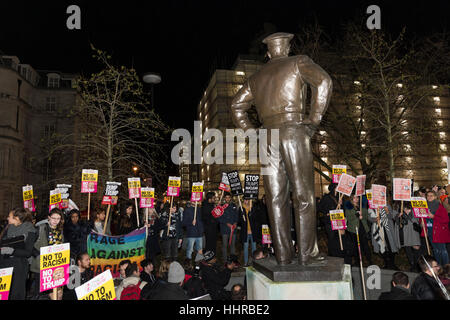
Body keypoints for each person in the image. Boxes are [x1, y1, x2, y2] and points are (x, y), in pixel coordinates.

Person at [230, 32, 332, 266]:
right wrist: (314, 119)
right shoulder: (298, 62)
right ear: (286, 49)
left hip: (267, 136)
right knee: (304, 195)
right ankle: (307, 254)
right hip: (294, 130)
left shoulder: (256, 77)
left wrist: (252, 132)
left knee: (275, 199)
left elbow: (236, 106)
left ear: (268, 53)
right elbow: (324, 81)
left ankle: (284, 256)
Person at [0, 208, 37, 300]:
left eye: (9, 217)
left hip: (19, 266)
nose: (7, 218)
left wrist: (11, 251)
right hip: (5, 263)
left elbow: (28, 252)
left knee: (16, 293)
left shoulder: (30, 229)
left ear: (16, 218)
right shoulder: (8, 227)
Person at [30, 208, 65, 300]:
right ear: (49, 217)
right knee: (39, 291)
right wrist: (40, 255)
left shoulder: (60, 230)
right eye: (53, 218)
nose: (55, 221)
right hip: (41, 265)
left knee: (54, 292)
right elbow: (30, 246)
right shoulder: (40, 228)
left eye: (58, 219)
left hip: (55, 266)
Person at [368, 200, 400, 270]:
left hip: (388, 229)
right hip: (378, 228)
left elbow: (391, 216)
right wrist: (374, 219)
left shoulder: (386, 204)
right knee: (381, 246)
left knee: (391, 246)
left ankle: (392, 264)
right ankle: (386, 263)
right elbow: (369, 218)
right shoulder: (372, 205)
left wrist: (387, 211)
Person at [344, 195, 372, 266]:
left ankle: (370, 260)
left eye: (357, 197)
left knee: (365, 245)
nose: (356, 199)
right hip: (354, 229)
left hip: (362, 228)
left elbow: (366, 216)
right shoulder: (349, 207)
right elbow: (349, 218)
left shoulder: (361, 206)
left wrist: (362, 216)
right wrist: (356, 215)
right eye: (354, 198)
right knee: (356, 246)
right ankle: (358, 261)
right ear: (351, 199)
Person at [317, 183, 344, 258]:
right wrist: (327, 213)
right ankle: (332, 255)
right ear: (333, 188)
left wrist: (341, 204)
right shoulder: (326, 197)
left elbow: (343, 209)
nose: (338, 189)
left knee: (339, 238)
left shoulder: (340, 197)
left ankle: (339, 254)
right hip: (329, 222)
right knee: (332, 238)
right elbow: (319, 207)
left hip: (338, 220)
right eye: (336, 188)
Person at [425, 191, 450, 266]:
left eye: (431, 196)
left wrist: (434, 217)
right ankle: (438, 267)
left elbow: (446, 220)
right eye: (428, 195)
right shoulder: (425, 206)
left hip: (439, 232)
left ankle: (446, 268)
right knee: (435, 250)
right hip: (430, 231)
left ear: (435, 197)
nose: (429, 197)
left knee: (442, 250)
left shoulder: (439, 207)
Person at [396, 203, 422, 272]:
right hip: (405, 233)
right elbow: (397, 223)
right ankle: (412, 264)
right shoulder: (400, 210)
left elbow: (416, 220)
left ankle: (418, 265)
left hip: (413, 232)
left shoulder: (414, 210)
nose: (406, 210)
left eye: (408, 209)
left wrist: (408, 215)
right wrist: (399, 217)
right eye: (405, 209)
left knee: (416, 248)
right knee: (408, 249)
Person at [218, 193, 239, 261]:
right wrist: (226, 223)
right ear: (224, 198)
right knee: (225, 245)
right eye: (226, 197)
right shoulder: (221, 206)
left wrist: (236, 222)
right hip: (225, 229)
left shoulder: (234, 206)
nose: (227, 199)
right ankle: (225, 260)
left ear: (230, 198)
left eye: (228, 197)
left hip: (233, 229)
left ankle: (232, 260)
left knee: (233, 245)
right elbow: (219, 218)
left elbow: (236, 216)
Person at [238, 199, 259, 266]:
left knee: (254, 247)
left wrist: (251, 214)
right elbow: (239, 220)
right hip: (245, 232)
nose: (245, 201)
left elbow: (256, 219)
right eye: (245, 200)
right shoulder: (241, 209)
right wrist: (242, 217)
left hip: (253, 232)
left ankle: (254, 262)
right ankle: (246, 262)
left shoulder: (253, 208)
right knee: (246, 247)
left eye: (247, 200)